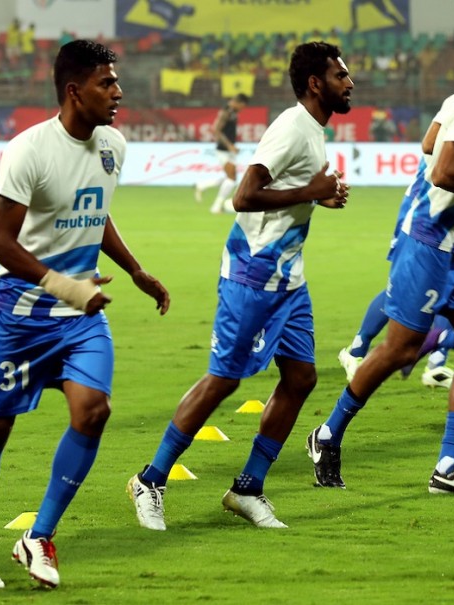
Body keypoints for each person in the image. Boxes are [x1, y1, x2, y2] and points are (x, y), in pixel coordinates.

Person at [0, 40, 170, 590]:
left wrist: (134, 269)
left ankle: (39, 536)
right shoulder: (27, 151)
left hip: (79, 316)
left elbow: (94, 211)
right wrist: (65, 287)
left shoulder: (113, 145)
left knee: (93, 411)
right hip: (19, 315)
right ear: (75, 91)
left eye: (117, 81)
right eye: (107, 83)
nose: (118, 92)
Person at [128, 41, 353, 530]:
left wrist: (319, 198)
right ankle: (150, 479)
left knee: (301, 378)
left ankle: (248, 488)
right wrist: (310, 191)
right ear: (316, 83)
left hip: (288, 278)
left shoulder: (312, 130)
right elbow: (244, 195)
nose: (349, 82)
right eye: (341, 75)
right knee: (224, 379)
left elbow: (285, 194)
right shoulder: (291, 127)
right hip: (252, 274)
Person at [307, 29, 454, 496]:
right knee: (399, 350)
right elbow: (442, 170)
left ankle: (448, 466)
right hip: (430, 243)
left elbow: (430, 142)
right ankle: (328, 433)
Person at [194, 93, 250, 214]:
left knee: (230, 178)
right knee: (231, 179)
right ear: (238, 103)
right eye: (242, 106)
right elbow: (216, 130)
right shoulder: (226, 112)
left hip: (229, 150)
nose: (242, 109)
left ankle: (203, 185)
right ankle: (216, 206)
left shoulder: (233, 112)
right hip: (223, 150)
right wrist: (229, 145)